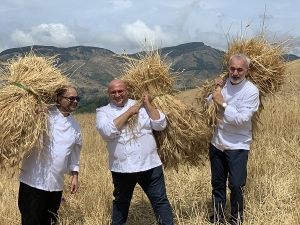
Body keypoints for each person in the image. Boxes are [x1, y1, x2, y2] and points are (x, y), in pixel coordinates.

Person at [96, 79, 174, 225]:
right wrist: (129, 113)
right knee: (121, 202)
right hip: (122, 168)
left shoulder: (141, 105)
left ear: (127, 91)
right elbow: (107, 131)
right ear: (109, 94)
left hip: (150, 165)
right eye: (113, 92)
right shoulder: (103, 112)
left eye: (120, 91)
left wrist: (148, 104)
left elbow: (160, 124)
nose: (117, 95)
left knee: (160, 201)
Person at [18, 86, 82, 225]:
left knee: (50, 221)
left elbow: (75, 152)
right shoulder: (44, 114)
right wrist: (34, 113)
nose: (75, 101)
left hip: (56, 185)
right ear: (59, 99)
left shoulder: (75, 125)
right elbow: (22, 130)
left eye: (77, 98)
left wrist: (75, 176)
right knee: (31, 221)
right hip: (33, 182)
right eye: (71, 98)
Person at [207, 54, 260, 225]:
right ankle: (218, 217)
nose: (235, 73)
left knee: (236, 184)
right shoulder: (223, 85)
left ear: (247, 71)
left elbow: (241, 120)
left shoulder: (251, 91)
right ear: (228, 68)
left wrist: (222, 103)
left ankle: (236, 218)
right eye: (232, 69)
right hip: (217, 143)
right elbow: (208, 106)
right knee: (217, 183)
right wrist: (215, 89)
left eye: (240, 70)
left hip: (238, 144)